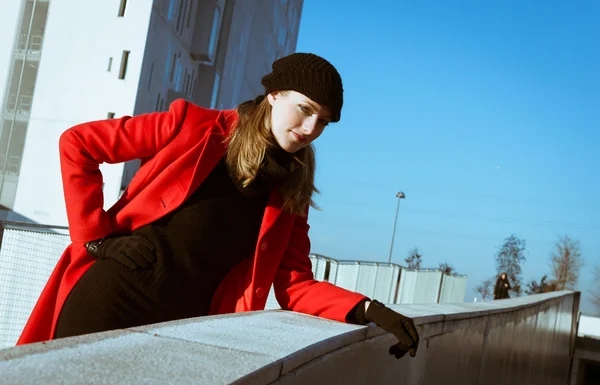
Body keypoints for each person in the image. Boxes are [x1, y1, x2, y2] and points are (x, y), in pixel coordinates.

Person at [17, 53, 419, 359]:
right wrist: (95, 238)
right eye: (306, 109)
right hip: (112, 299)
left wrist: (368, 309)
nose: (311, 129)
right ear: (274, 94)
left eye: (324, 121)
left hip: (179, 333)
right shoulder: (193, 127)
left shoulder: (290, 193)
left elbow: (295, 285)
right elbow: (79, 144)